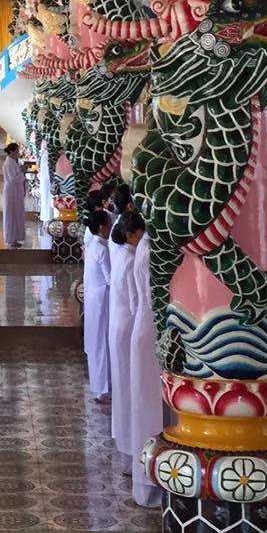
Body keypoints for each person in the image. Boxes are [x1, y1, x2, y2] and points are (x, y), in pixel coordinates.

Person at [126, 213, 161, 508]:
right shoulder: (149, 251)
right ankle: (148, 482)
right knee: (148, 406)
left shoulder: (148, 248)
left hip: (146, 326)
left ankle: (152, 478)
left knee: (150, 404)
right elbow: (151, 299)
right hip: (150, 329)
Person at [107, 216, 137, 467]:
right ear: (130, 235)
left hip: (120, 323)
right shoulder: (131, 259)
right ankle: (130, 448)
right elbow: (137, 302)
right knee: (129, 385)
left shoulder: (121, 254)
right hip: (130, 325)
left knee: (124, 384)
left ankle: (126, 444)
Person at [83, 209, 112, 402]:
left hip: (94, 298)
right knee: (101, 343)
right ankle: (103, 388)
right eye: (109, 225)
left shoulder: (94, 244)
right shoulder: (101, 248)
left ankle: (100, 385)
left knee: (97, 343)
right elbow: (111, 279)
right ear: (102, 228)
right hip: (102, 300)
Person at [1, 142, 26, 246]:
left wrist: (21, 171)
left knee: (17, 213)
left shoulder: (13, 161)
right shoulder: (8, 163)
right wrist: (21, 173)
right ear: (11, 151)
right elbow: (12, 178)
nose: (18, 153)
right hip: (11, 190)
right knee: (11, 214)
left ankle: (16, 238)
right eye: (16, 151)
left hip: (16, 190)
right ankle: (11, 239)